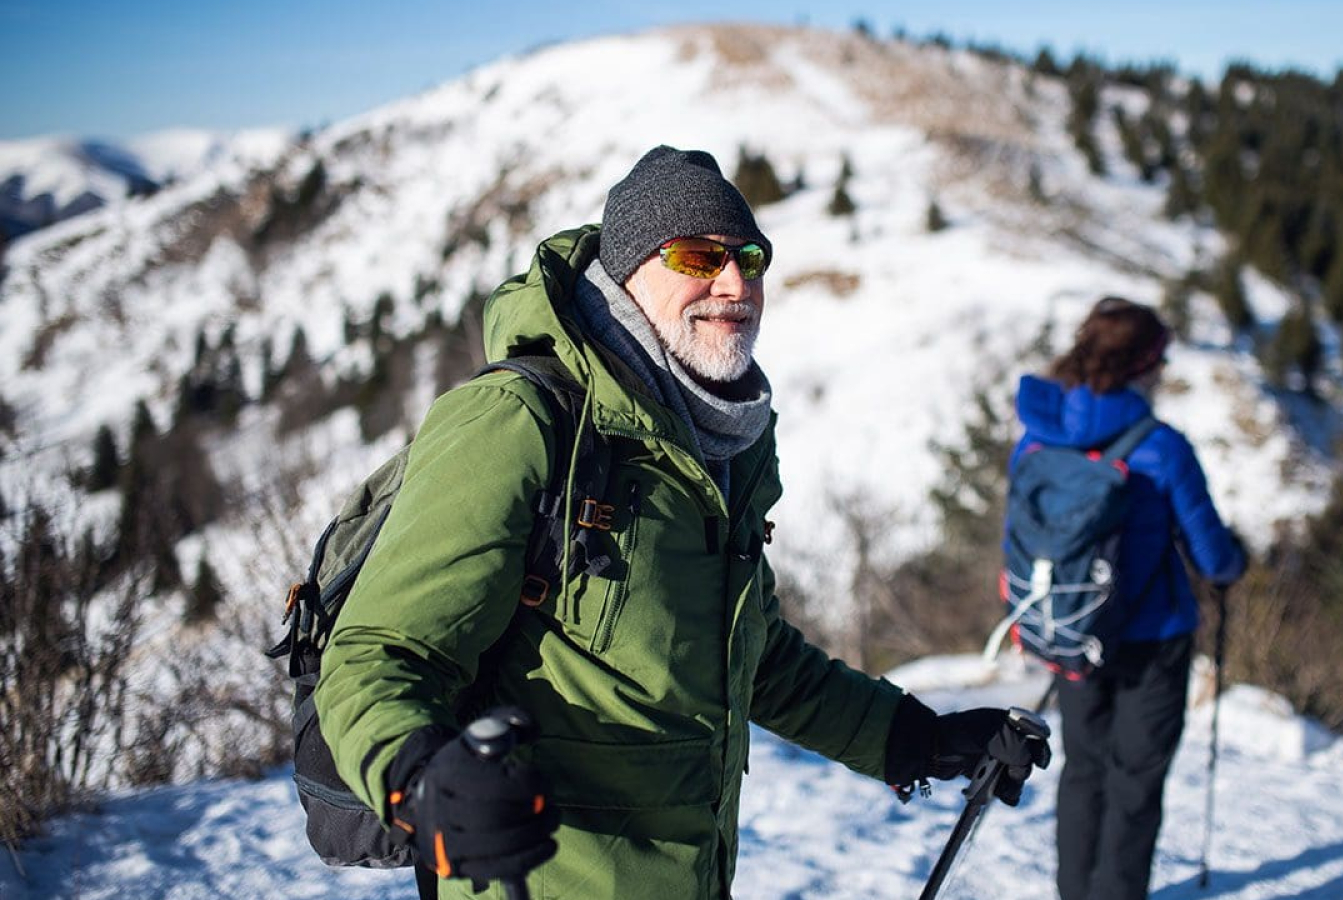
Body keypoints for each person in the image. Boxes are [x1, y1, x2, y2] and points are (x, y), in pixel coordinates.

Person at [314, 145, 1047, 900]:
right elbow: (378, 650)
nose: (734, 283)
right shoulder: (522, 422)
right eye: (699, 256)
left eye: (750, 258)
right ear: (629, 273)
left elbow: (756, 660)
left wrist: (916, 737)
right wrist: (420, 779)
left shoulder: (720, 444)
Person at [1012, 297, 1246, 900]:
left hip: (1071, 629)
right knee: (1135, 781)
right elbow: (1214, 558)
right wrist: (1237, 557)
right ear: (1144, 364)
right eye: (1162, 359)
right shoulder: (1162, 446)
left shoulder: (1035, 437)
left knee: (1083, 769)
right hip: (1154, 637)